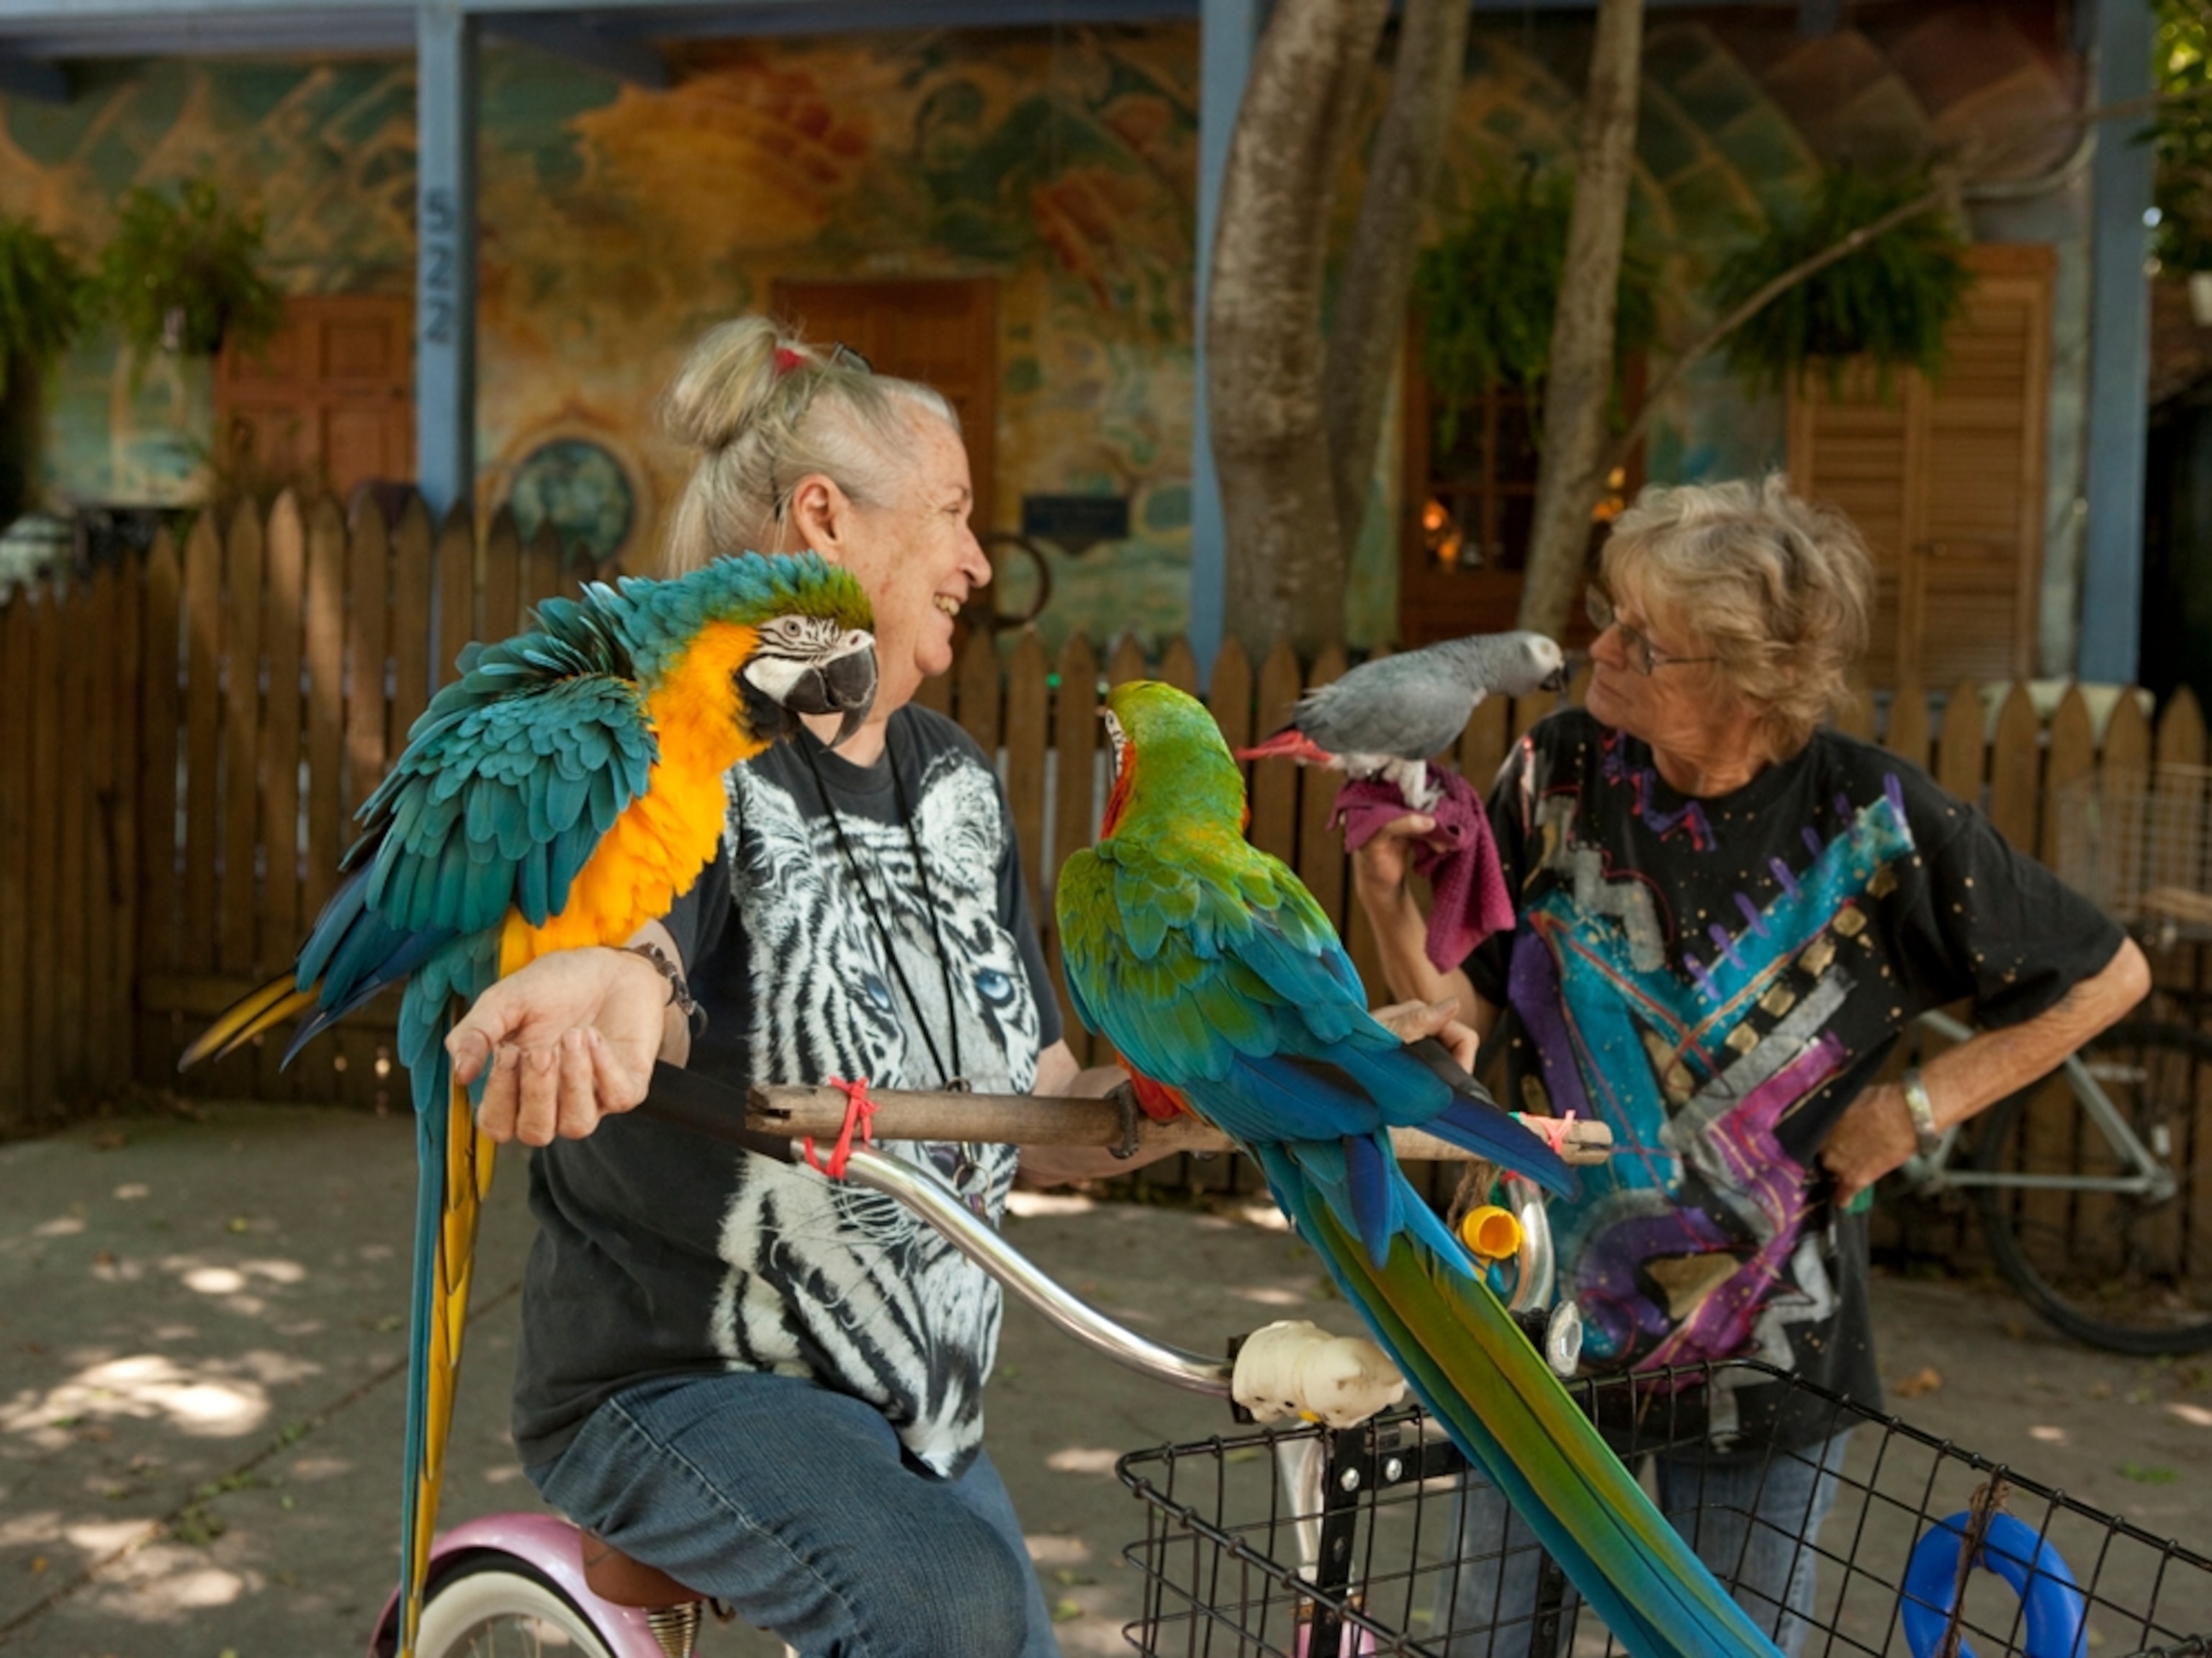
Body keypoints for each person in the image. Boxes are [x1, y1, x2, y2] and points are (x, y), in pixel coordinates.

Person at [1346, 477, 2149, 1655]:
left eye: (1642, 639)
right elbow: (1460, 1016)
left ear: (1744, 679)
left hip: (1771, 1355)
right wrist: (1384, 890)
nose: (1598, 649)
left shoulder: (1874, 821)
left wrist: (1921, 1104)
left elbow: (2108, 974)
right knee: (1489, 1639)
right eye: (1608, 614)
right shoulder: (1556, 774)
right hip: (1546, 1324)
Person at [439, 319, 1143, 1657]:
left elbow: (1033, 1089)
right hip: (686, 1377)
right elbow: (645, 923)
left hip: (916, 1408)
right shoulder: (680, 733)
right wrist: (617, 980)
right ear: (825, 519)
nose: (980, 561)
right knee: (951, 1611)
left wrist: (1208, 1091)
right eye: (950, 513)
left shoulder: (955, 777)